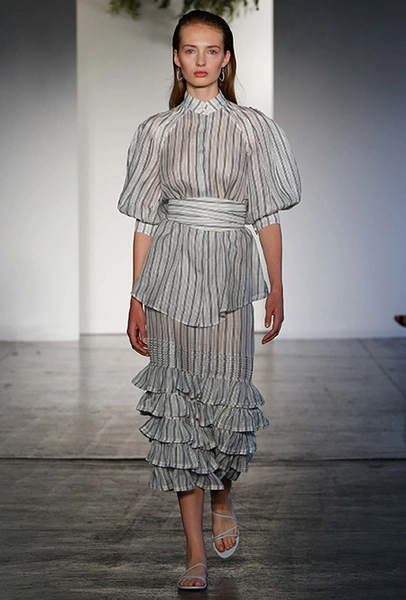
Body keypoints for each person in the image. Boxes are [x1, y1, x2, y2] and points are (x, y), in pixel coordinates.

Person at [118, 10, 301, 591]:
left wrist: (276, 284)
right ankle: (193, 552)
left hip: (228, 276)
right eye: (190, 50)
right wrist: (136, 297)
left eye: (212, 50)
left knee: (225, 401)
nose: (201, 60)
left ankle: (224, 494)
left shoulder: (252, 128)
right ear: (176, 58)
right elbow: (146, 221)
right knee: (178, 408)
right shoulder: (155, 131)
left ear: (226, 59)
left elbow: (265, 214)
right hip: (170, 274)